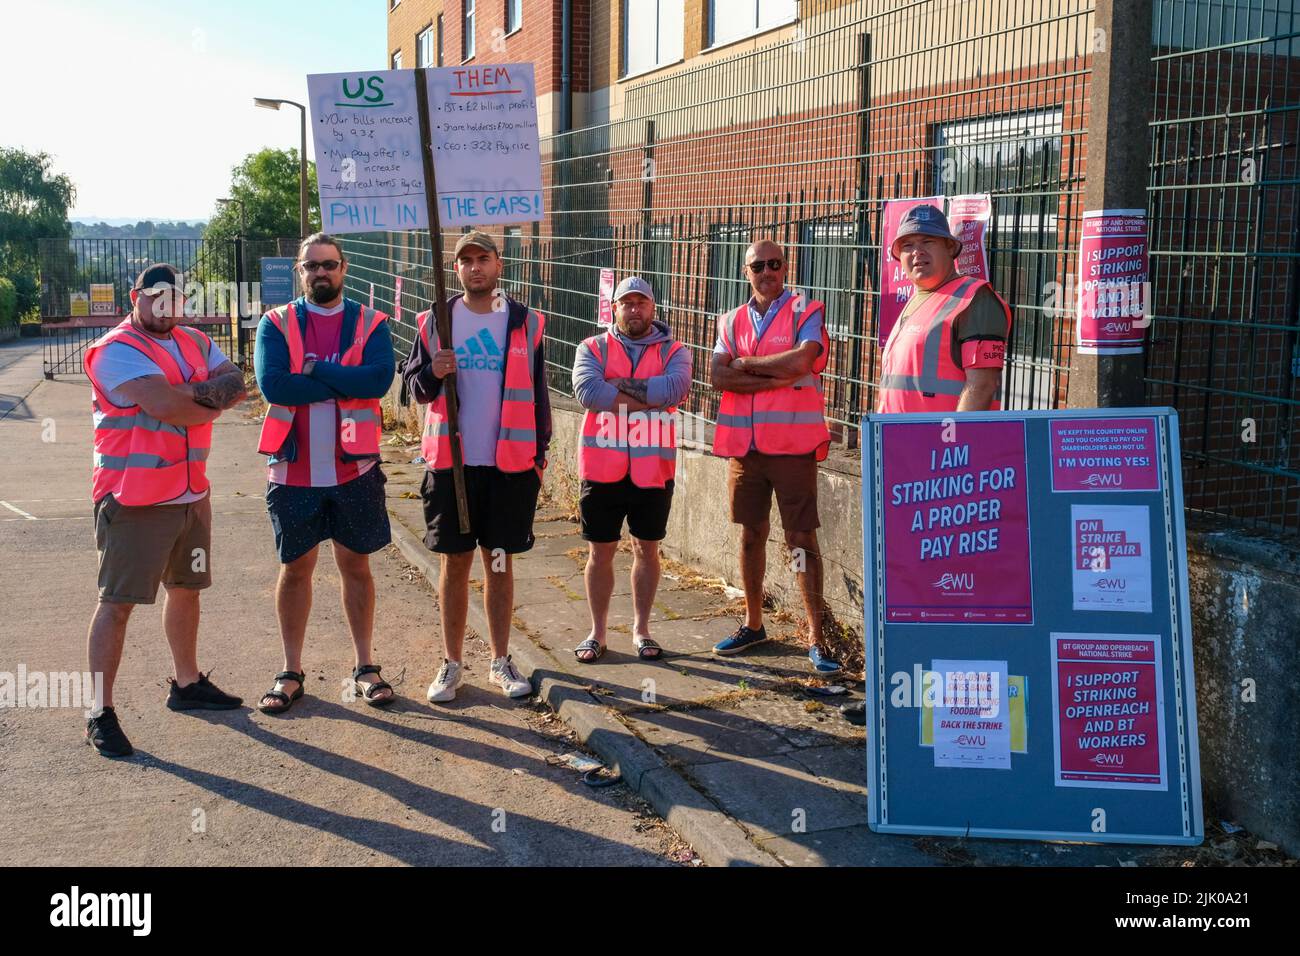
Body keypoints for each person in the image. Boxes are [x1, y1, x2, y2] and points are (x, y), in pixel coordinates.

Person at [842, 204, 1013, 726]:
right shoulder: (918, 303)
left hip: (942, 476)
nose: (916, 254)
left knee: (947, 594)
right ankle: (897, 698)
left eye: (927, 245)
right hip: (900, 470)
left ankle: (948, 707)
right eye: (906, 247)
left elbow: (980, 386)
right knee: (902, 591)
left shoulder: (973, 299)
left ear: (951, 250)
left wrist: (950, 464)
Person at [82, 263, 247, 757]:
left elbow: (236, 383)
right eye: (154, 296)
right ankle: (99, 713)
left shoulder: (195, 342)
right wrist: (205, 399)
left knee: (187, 590)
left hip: (192, 495)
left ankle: (187, 683)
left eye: (173, 297)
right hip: (134, 500)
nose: (164, 305)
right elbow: (165, 407)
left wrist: (191, 397)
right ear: (136, 297)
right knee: (117, 604)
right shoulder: (116, 349)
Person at [401, 231, 550, 703]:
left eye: (482, 258)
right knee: (454, 563)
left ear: (498, 265)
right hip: (451, 466)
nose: (473, 267)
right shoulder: (436, 322)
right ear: (457, 268)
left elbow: (540, 396)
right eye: (465, 260)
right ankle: (451, 663)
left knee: (500, 563)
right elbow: (414, 389)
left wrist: (539, 457)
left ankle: (500, 660)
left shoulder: (525, 323)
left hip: (509, 466)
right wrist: (433, 371)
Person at [253, 234, 396, 714]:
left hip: (354, 468)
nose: (321, 273)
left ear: (345, 268)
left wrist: (312, 371)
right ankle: (291, 671)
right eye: (311, 265)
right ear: (300, 271)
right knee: (296, 570)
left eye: (329, 265)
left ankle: (366, 667)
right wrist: (339, 380)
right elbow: (274, 384)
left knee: (356, 566)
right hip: (293, 470)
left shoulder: (370, 322)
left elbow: (377, 380)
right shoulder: (275, 323)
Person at [708, 239, 841, 674]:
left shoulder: (807, 310)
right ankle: (753, 623)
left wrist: (747, 364)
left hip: (793, 448)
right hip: (746, 450)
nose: (767, 271)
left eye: (775, 264)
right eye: (758, 265)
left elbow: (803, 361)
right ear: (746, 271)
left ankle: (816, 636)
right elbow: (717, 375)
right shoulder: (728, 320)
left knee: (801, 538)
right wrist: (772, 375)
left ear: (785, 267)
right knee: (750, 534)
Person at [570, 277, 692, 663]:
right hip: (602, 469)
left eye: (641, 303)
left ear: (653, 308)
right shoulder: (591, 347)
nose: (634, 309)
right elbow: (589, 391)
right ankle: (598, 632)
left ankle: (641, 630)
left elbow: (675, 389)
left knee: (647, 549)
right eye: (627, 303)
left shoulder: (675, 351)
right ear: (615, 309)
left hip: (652, 471)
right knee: (599, 552)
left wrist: (617, 390)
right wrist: (648, 395)